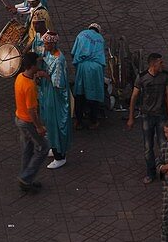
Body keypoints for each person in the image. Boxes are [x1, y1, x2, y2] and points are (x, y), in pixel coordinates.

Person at [128, 51, 168, 183]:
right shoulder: (142, 77)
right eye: (160, 62)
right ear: (153, 64)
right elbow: (134, 97)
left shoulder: (165, 76)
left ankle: (164, 170)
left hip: (161, 115)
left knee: (163, 144)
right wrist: (131, 117)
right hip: (147, 116)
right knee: (148, 146)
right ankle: (151, 172)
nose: (163, 64)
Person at [14, 50, 49, 193]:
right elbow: (32, 111)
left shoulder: (19, 78)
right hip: (28, 122)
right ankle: (26, 177)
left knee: (27, 149)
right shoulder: (30, 87)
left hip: (19, 119)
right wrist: (39, 127)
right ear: (32, 66)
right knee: (43, 148)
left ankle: (25, 177)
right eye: (37, 64)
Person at [36, 31, 71, 169]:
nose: (44, 46)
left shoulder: (58, 60)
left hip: (56, 97)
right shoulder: (49, 53)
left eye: (46, 43)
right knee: (49, 122)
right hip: (48, 93)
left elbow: (58, 84)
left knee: (56, 124)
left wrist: (44, 75)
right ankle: (54, 147)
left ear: (52, 43)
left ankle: (60, 156)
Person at [71, 23, 106, 131]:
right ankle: (93, 120)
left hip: (82, 65)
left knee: (80, 94)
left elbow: (73, 52)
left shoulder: (81, 34)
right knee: (93, 94)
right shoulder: (100, 38)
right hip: (96, 68)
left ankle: (79, 121)